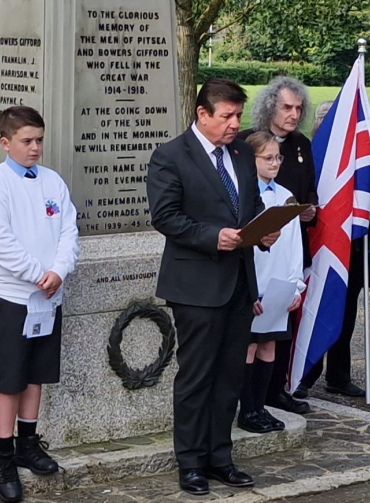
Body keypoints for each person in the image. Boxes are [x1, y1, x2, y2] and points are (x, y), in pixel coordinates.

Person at [147, 79, 280, 496]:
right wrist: (212, 236)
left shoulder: (241, 153)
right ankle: (190, 464)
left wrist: (263, 230)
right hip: (196, 285)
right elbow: (165, 217)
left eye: (238, 116)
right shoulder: (170, 156)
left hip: (239, 282)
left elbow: (251, 206)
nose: (235, 124)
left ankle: (220, 457)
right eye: (227, 116)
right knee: (196, 377)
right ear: (202, 114)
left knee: (229, 377)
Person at [0, 106, 79, 503]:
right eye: (26, 141)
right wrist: (38, 274)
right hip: (15, 295)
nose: (35, 148)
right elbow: (0, 243)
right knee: (10, 376)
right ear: (5, 143)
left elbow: (69, 228)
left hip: (50, 294)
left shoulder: (53, 181)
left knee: (35, 373)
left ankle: (28, 442)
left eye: (39, 140)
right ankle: (3, 453)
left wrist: (59, 270)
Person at [294, 103, 370, 400]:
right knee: (315, 309)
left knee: (345, 316)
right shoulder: (310, 153)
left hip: (352, 249)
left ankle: (339, 375)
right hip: (319, 247)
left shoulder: (357, 155)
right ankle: (305, 373)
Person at [237, 76, 316, 416]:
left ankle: (270, 397)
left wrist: (307, 208)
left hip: (284, 268)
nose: (294, 114)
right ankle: (247, 406)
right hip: (253, 276)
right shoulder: (243, 149)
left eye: (299, 108)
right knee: (248, 344)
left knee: (274, 339)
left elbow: (306, 192)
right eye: (287, 107)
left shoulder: (300, 149)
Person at [237, 132, 306, 434]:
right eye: (268, 157)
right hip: (256, 286)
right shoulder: (244, 195)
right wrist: (250, 290)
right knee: (249, 348)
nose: (275, 162)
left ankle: (260, 407)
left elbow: (294, 245)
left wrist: (296, 286)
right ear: (252, 160)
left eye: (278, 157)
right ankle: (246, 409)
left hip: (280, 285)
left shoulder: (285, 195)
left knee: (269, 347)